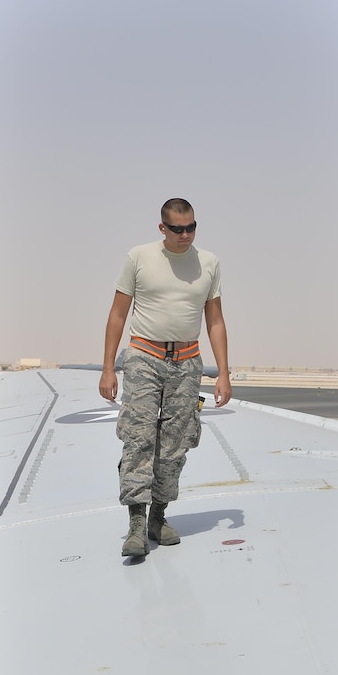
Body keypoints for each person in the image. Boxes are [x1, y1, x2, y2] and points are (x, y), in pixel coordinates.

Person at [98, 198, 232, 557]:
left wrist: (223, 373)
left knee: (175, 443)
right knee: (138, 439)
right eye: (177, 229)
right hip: (144, 358)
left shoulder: (209, 263)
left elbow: (215, 321)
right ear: (163, 228)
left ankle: (159, 516)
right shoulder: (139, 257)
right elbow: (117, 315)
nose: (185, 235)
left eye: (191, 227)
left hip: (187, 363)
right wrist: (109, 367)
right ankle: (136, 526)